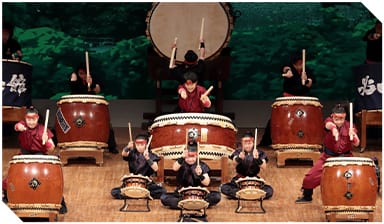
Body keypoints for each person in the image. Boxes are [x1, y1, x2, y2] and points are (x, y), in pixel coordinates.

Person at [2, 106, 68, 214]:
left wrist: (47, 141)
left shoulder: (43, 130)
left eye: (33, 119)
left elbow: (52, 148)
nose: (31, 122)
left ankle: (59, 201)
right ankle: (8, 197)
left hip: (40, 157)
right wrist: (20, 127)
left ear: (37, 119)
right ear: (25, 119)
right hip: (24, 156)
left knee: (49, 181)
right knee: (13, 179)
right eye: (29, 119)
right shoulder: (23, 125)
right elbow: (17, 126)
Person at [295, 104, 360, 203]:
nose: (339, 122)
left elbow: (357, 143)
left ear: (345, 117)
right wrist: (333, 129)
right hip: (328, 157)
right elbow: (328, 125)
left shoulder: (350, 126)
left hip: (346, 158)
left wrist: (354, 136)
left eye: (341, 119)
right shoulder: (329, 121)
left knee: (355, 179)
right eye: (336, 119)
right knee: (310, 178)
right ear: (332, 116)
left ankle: (352, 198)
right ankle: (307, 196)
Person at [258, 51, 315, 147]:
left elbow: (310, 83)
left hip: (303, 99)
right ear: (294, 63)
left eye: (301, 63)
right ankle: (266, 142)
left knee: (307, 120)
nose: (300, 65)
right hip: (289, 99)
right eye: (298, 63)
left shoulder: (306, 70)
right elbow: (285, 69)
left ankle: (311, 141)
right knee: (276, 119)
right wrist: (287, 73)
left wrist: (307, 80)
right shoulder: (290, 68)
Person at [69, 63, 118, 154]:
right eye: (81, 73)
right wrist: (74, 80)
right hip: (77, 106)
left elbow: (98, 89)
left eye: (84, 73)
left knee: (104, 125)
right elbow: (74, 90)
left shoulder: (93, 76)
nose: (82, 75)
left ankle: (111, 146)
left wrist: (91, 84)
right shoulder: (74, 77)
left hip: (92, 106)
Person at [160, 141, 221, 210]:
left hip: (199, 194)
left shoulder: (201, 165)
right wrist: (182, 158)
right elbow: (174, 168)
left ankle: (186, 205)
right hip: (182, 193)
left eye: (193, 157)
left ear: (197, 155)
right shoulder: (181, 162)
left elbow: (207, 183)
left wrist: (200, 175)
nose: (190, 159)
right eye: (188, 157)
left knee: (216, 196)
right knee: (164, 197)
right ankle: (196, 205)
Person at [220, 131, 274, 200]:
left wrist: (257, 159)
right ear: (242, 144)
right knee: (224, 188)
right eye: (245, 143)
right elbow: (234, 163)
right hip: (239, 180)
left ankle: (242, 195)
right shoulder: (238, 152)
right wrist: (239, 158)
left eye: (249, 143)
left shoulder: (259, 152)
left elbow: (264, 166)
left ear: (253, 143)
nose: (247, 145)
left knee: (269, 190)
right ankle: (252, 195)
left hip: (254, 181)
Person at [111, 134, 166, 199]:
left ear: (146, 145)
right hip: (132, 181)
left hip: (146, 182)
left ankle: (132, 195)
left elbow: (156, 168)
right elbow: (124, 154)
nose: (139, 147)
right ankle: (140, 195)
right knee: (114, 191)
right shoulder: (132, 153)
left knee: (162, 191)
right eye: (137, 145)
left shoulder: (150, 155)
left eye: (142, 145)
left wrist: (148, 158)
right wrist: (127, 147)